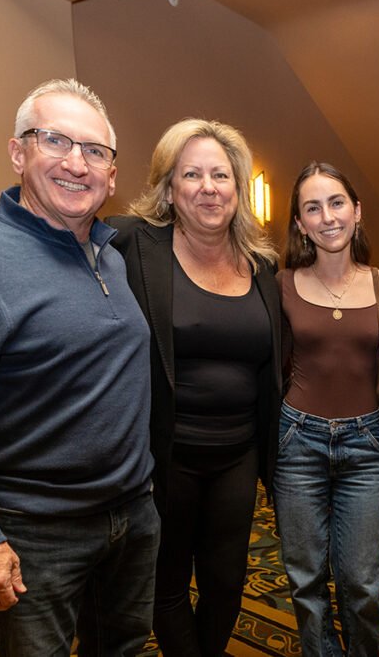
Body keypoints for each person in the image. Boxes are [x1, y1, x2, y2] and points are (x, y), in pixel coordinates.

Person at [0, 78, 160, 655]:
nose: (76, 163)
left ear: (111, 175)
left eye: (95, 151)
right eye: (55, 141)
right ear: (18, 152)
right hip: (33, 534)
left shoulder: (110, 258)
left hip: (131, 519)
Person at [108, 119, 281, 655]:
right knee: (166, 582)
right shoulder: (132, 244)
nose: (209, 187)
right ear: (169, 188)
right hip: (167, 453)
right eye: (192, 174)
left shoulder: (263, 267)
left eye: (221, 175)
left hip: (239, 455)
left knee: (227, 582)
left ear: (238, 188)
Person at [274, 161, 379, 656]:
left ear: (356, 211)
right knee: (306, 579)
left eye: (336, 204)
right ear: (300, 223)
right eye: (313, 207)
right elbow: (273, 364)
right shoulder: (283, 284)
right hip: (297, 441)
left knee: (362, 581)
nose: (327, 217)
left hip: (365, 443)